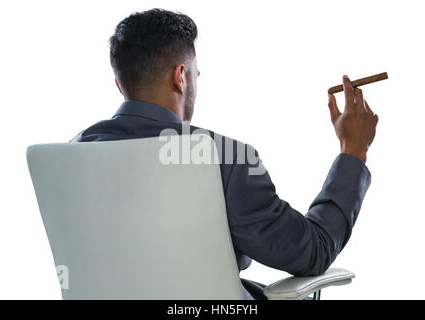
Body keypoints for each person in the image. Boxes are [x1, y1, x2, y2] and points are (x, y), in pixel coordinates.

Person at [71, 8, 378, 300]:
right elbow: (313, 252)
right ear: (180, 76)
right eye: (195, 75)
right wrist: (353, 151)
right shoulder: (223, 159)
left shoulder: (70, 157)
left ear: (119, 84)